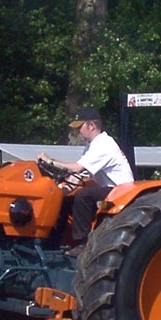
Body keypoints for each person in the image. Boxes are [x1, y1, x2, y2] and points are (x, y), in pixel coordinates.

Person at [37, 108, 134, 257]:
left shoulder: (104, 145)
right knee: (65, 201)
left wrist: (50, 161)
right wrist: (60, 192)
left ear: (92, 126)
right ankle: (52, 243)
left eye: (79, 127)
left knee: (84, 195)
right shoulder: (92, 145)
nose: (78, 131)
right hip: (110, 191)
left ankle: (83, 243)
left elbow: (77, 167)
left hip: (120, 193)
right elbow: (79, 174)